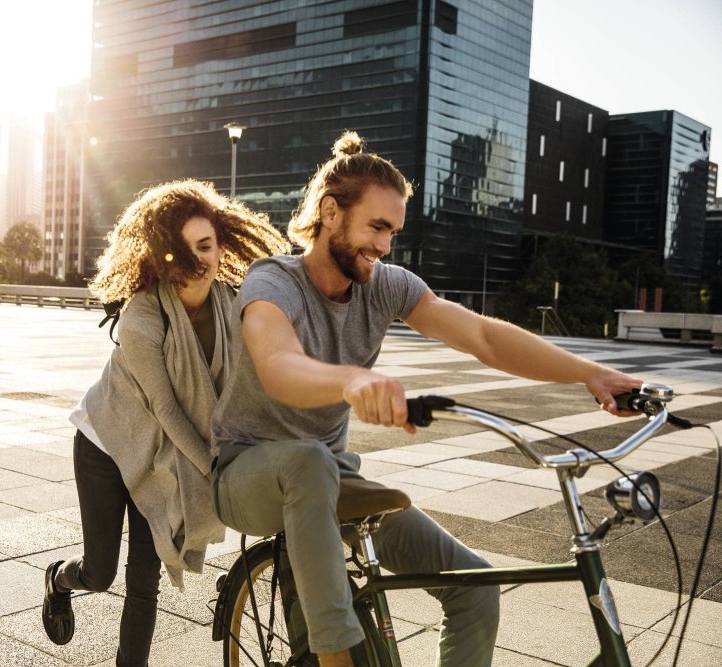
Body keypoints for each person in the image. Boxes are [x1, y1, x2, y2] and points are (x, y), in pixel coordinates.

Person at [209, 131, 642, 667]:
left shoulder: (385, 284)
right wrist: (350, 381)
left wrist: (591, 374)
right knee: (307, 460)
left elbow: (482, 335)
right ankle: (335, 658)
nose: (386, 245)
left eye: (393, 231)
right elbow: (278, 366)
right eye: (377, 227)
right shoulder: (273, 281)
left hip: (334, 476)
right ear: (329, 213)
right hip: (247, 471)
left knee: (476, 586)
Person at [42, 179, 289, 666]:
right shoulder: (141, 316)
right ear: (161, 254)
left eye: (205, 246)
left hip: (161, 452)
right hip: (107, 445)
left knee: (143, 581)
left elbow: (250, 382)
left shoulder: (232, 306)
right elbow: (167, 409)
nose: (196, 262)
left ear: (222, 247)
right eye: (181, 250)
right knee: (101, 572)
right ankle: (58, 579)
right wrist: (214, 467)